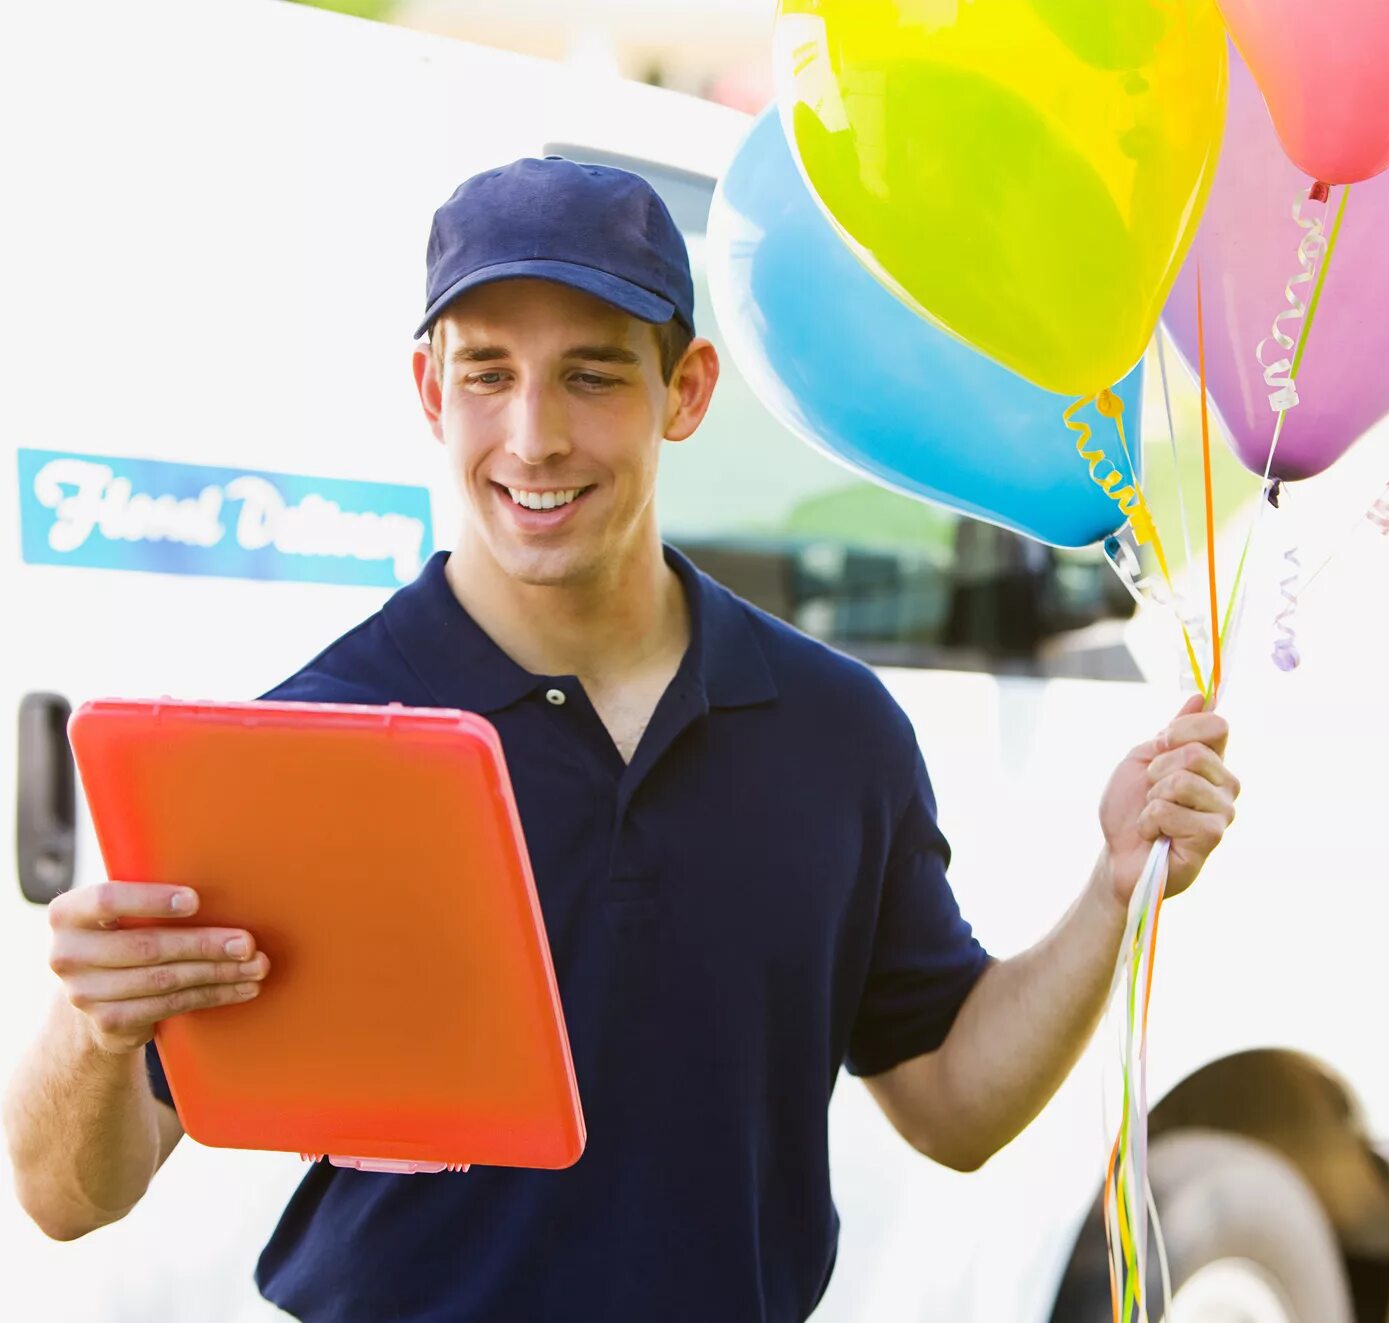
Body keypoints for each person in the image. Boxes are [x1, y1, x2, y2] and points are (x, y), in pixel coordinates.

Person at [2, 158, 1239, 1321]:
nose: (533, 434)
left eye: (592, 374)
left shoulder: (833, 731)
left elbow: (957, 1104)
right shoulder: (304, 746)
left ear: (685, 390)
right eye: (488, 372)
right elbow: (69, 1198)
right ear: (432, 392)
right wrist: (96, 1028)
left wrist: (1113, 892)